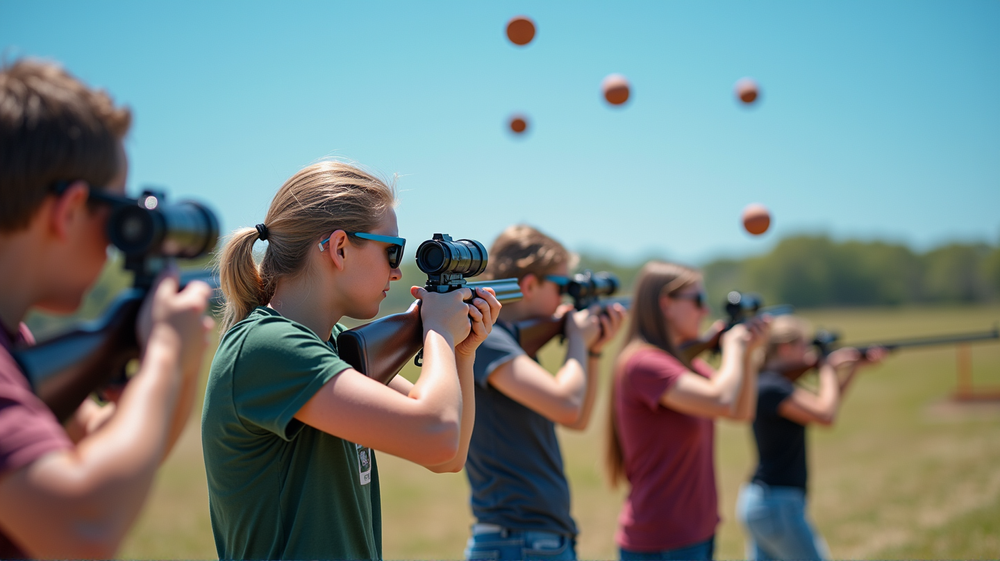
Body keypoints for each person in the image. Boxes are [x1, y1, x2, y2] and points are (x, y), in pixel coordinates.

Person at [202, 160, 501, 560]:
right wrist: (439, 333)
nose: (396, 272)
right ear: (340, 248)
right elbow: (436, 435)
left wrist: (462, 353)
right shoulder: (267, 346)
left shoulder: (332, 345)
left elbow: (449, 455)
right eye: (391, 251)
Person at [0, 59, 214, 558]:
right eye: (116, 212)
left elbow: (119, 450)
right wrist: (162, 356)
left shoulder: (17, 345)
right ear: (70, 209)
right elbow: (86, 528)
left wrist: (174, 367)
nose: (116, 243)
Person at [462, 224, 627, 561]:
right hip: (518, 540)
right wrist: (578, 341)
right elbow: (566, 404)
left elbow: (576, 418)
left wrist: (592, 351)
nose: (565, 298)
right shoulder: (487, 339)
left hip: (531, 539)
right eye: (562, 286)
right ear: (530, 284)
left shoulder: (511, 342)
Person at [606, 261, 769, 560]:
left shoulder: (682, 362)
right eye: (697, 300)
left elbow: (739, 411)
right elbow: (720, 398)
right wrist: (733, 348)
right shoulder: (644, 362)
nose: (705, 311)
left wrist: (748, 356)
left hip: (695, 532)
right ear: (666, 304)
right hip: (663, 540)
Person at [735, 315, 884, 561]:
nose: (808, 354)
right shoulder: (772, 387)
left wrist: (853, 368)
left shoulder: (770, 383)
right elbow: (825, 415)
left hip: (767, 503)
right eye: (804, 346)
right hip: (777, 504)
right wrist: (826, 366)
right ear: (785, 348)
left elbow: (826, 405)